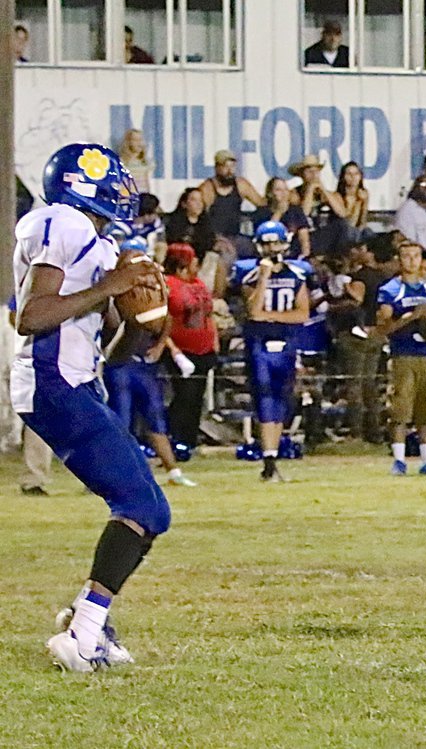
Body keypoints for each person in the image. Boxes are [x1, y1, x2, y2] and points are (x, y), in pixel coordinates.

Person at [16, 143, 167, 671]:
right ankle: (84, 631)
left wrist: (147, 316)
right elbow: (32, 315)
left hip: (77, 380)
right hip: (52, 381)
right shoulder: (62, 221)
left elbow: (117, 347)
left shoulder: (97, 242)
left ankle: (89, 620)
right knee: (143, 506)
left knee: (145, 504)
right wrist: (111, 285)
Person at [231, 221, 312, 482]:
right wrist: (264, 277)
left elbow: (302, 313)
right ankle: (267, 461)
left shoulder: (297, 274)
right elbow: (253, 311)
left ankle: (273, 457)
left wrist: (271, 316)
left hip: (287, 343)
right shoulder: (248, 273)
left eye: (275, 242)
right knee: (265, 400)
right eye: (266, 243)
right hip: (259, 344)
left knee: (282, 401)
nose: (271, 248)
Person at [377, 242, 426, 476]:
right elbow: (384, 326)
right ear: (399, 260)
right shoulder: (390, 290)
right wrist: (412, 317)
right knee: (400, 408)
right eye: (406, 256)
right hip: (404, 353)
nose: (411, 261)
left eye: (416, 256)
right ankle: (399, 460)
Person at [103, 308, 198, 488]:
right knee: (120, 422)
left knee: (156, 419)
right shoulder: (115, 291)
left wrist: (161, 345)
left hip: (143, 364)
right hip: (119, 364)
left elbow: (167, 317)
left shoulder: (152, 288)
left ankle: (174, 472)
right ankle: (111, 475)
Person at [332, 236, 396, 441]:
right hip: (377, 333)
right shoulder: (385, 278)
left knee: (354, 384)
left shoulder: (360, 277)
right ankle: (375, 430)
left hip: (357, 334)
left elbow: (357, 299)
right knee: (370, 384)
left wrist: (336, 303)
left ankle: (357, 431)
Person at [163, 243, 218, 451]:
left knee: (196, 397)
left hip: (203, 349)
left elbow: (208, 314)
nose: (197, 263)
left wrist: (214, 341)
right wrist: (172, 348)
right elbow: (163, 319)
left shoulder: (198, 283)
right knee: (184, 396)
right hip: (180, 350)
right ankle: (177, 440)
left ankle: (190, 440)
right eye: (193, 260)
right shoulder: (169, 285)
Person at [289, 154, 349, 256]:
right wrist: (310, 190)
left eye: (316, 171)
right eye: (309, 171)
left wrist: (324, 191)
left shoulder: (330, 194)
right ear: (302, 175)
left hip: (324, 234)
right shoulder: (294, 194)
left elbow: (342, 213)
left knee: (342, 225)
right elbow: (302, 215)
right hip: (305, 236)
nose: (313, 175)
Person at [200, 150, 266, 240]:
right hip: (214, 238)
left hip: (236, 237)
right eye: (225, 167)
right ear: (217, 168)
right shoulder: (207, 189)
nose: (230, 171)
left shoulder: (241, 184)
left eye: (232, 166)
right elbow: (200, 216)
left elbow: (261, 203)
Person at [251, 177, 312, 258]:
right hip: (270, 254)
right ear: (270, 193)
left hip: (293, 254)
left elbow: (304, 236)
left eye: (286, 189)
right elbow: (266, 236)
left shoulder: (296, 210)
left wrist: (305, 254)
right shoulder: (261, 212)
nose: (283, 193)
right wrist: (279, 212)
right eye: (278, 190)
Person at [164, 187, 216, 262]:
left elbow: (208, 244)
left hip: (199, 259)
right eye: (194, 200)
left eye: (201, 200)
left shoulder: (207, 224)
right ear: (184, 204)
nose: (199, 204)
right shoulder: (172, 221)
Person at [118, 128, 154, 194]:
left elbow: (148, 182)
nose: (139, 143)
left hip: (143, 196)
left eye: (140, 140)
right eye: (135, 140)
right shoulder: (120, 162)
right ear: (128, 142)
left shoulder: (146, 162)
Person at [336, 161, 370, 230]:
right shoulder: (338, 196)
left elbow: (363, 223)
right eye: (349, 174)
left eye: (356, 174)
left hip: (357, 233)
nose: (353, 177)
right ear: (343, 177)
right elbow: (350, 225)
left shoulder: (364, 193)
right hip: (343, 233)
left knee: (368, 232)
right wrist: (359, 201)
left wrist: (365, 202)